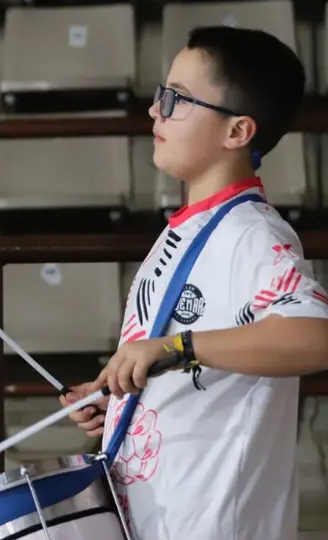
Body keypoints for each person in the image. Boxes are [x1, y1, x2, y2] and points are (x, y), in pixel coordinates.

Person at [60, 26, 328, 540]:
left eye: (177, 99)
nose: (155, 111)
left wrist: (174, 345)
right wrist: (119, 400)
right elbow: (185, 360)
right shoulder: (185, 230)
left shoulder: (252, 234)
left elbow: (314, 336)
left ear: (237, 132)